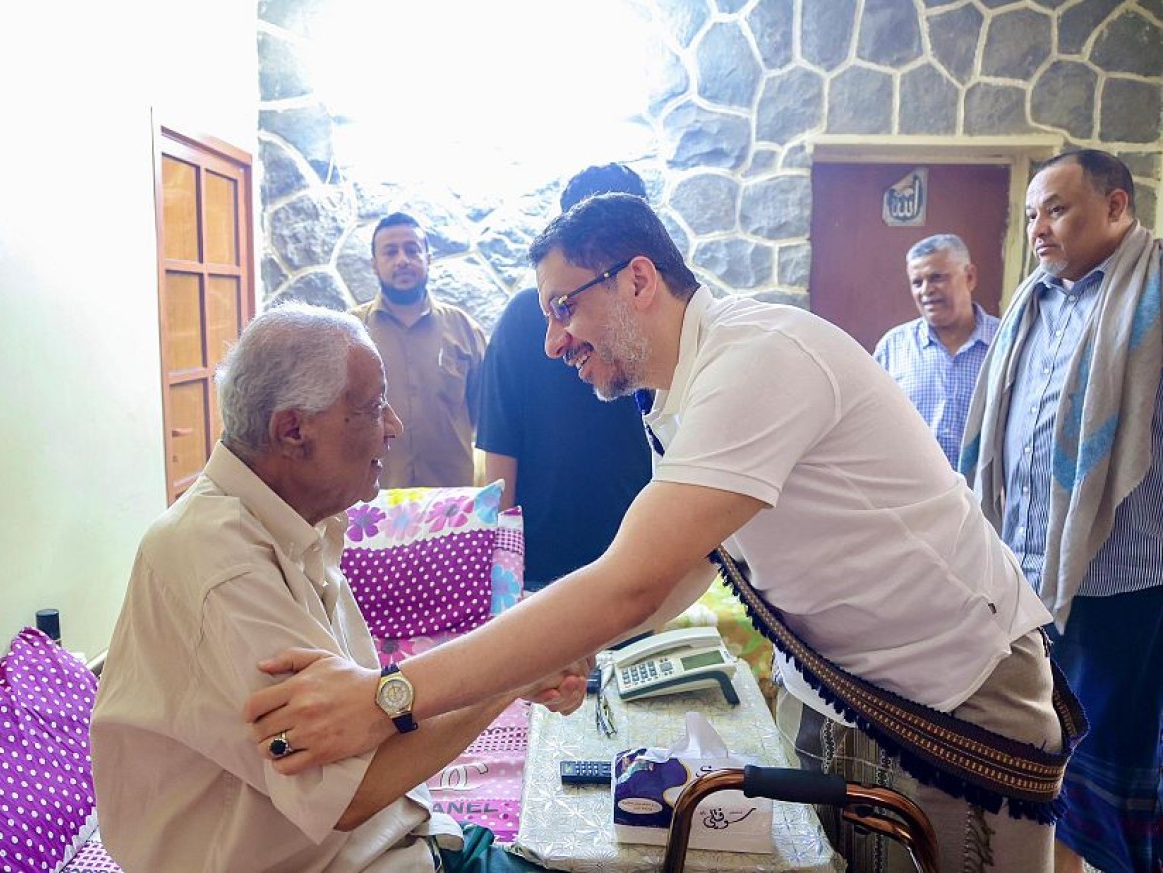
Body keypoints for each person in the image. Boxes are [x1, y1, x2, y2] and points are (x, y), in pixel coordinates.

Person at [245, 194, 1082, 871]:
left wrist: (388, 694)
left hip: (953, 691)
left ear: (638, 279)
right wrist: (563, 650)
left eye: (564, 307)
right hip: (847, 691)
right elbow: (687, 564)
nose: (552, 340)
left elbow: (632, 580)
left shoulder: (757, 359)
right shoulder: (676, 393)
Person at [90, 303, 570, 871]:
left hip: (408, 837)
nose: (392, 425)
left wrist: (514, 664)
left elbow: (369, 715)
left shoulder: (293, 525)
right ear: (293, 430)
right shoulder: (222, 563)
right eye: (371, 408)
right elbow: (352, 790)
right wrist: (513, 672)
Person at [960, 149, 1162, 873]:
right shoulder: (1032, 301)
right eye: (1032, 213)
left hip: (1124, 582)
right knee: (1043, 762)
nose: (1039, 227)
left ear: (1117, 207)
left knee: (1107, 772)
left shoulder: (1154, 291)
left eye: (1058, 209)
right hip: (1030, 578)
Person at [477, 162, 652, 589]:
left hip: (641, 563)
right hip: (542, 570)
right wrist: (503, 575)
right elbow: (500, 453)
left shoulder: (661, 323)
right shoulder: (523, 319)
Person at [351, 212, 487, 488]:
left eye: (412, 250)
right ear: (374, 264)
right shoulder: (350, 332)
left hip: (450, 502)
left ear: (428, 258)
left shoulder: (464, 330)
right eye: (390, 252)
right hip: (373, 501)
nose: (402, 260)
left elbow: (484, 414)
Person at [873, 233, 1000, 467]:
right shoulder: (893, 348)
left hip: (982, 497)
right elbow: (871, 425)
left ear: (970, 277)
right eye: (917, 282)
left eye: (937, 278)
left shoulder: (1005, 343)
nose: (926, 290)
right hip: (910, 494)